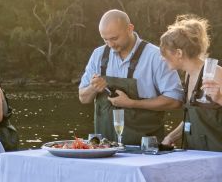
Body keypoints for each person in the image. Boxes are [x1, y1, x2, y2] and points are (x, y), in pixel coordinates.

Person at [79, 9, 183, 145]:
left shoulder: (156, 56)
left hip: (145, 149)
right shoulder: (98, 55)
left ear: (130, 28)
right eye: (105, 39)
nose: (110, 44)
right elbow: (83, 98)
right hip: (103, 149)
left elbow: (175, 101)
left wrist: (132, 103)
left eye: (115, 38)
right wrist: (93, 88)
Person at [160, 15, 222, 151]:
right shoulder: (188, 75)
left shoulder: (215, 73)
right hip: (196, 156)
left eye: (164, 53)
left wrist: (219, 98)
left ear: (179, 53)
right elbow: (192, 117)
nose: (162, 58)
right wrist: (171, 137)